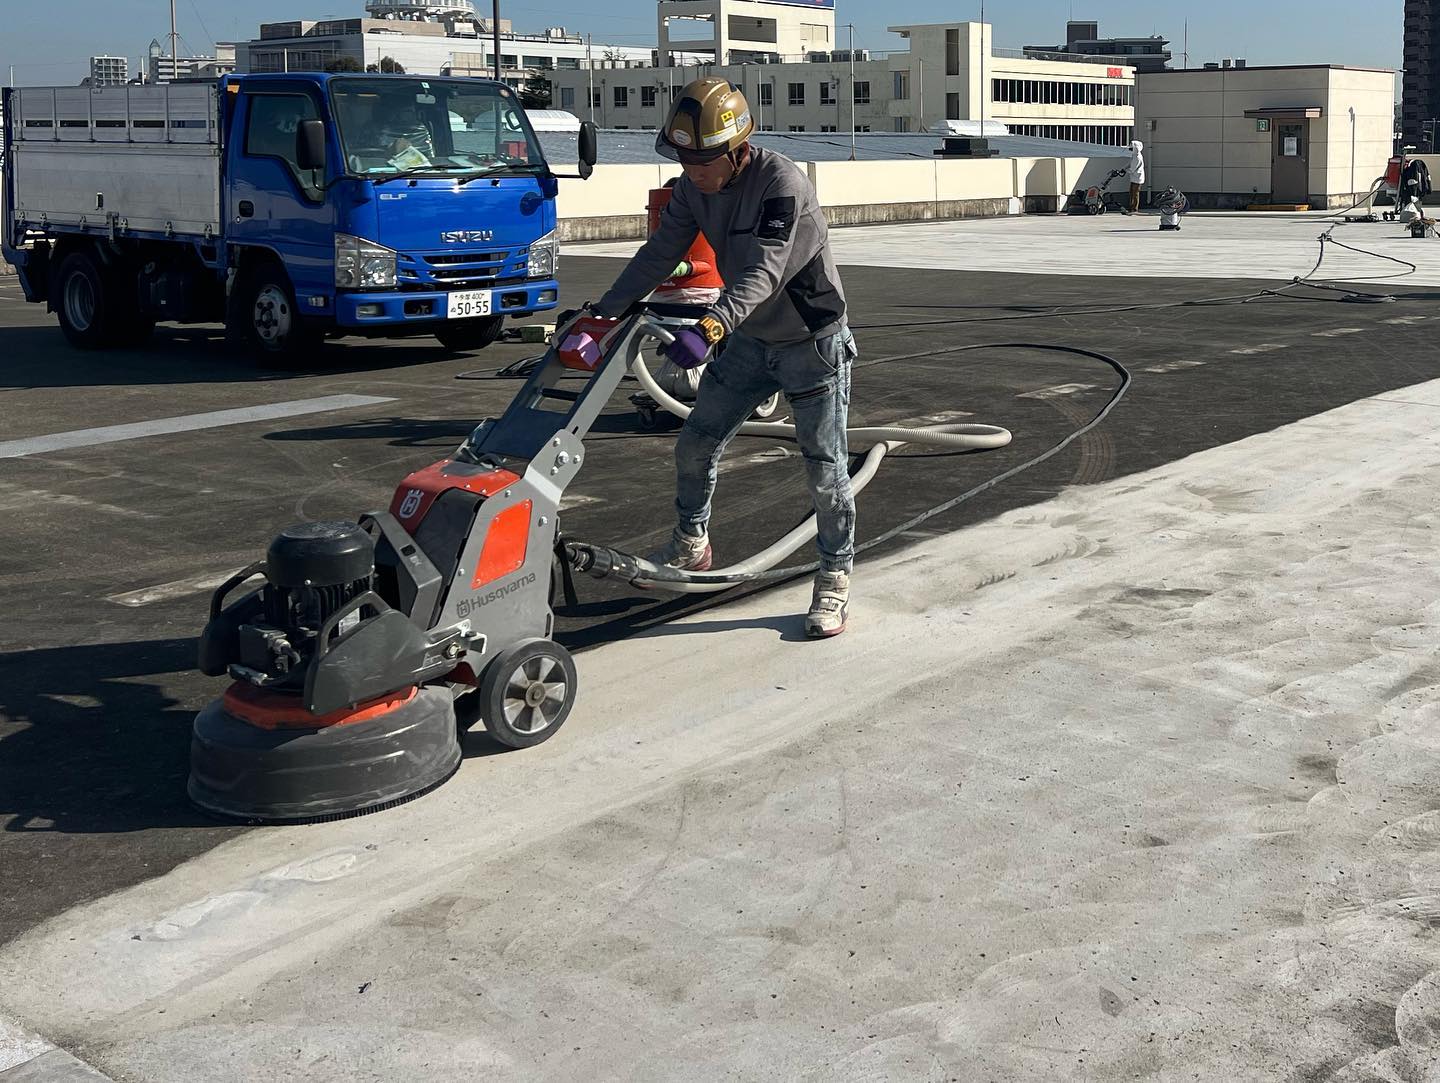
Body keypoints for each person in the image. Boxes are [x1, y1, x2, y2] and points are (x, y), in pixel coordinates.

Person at [588, 77, 857, 639]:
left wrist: (711, 325)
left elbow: (765, 269)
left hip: (810, 343)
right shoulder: (690, 189)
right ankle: (692, 542)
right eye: (684, 159)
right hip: (750, 342)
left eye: (704, 160)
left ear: (737, 150)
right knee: (696, 441)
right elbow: (660, 253)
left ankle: (834, 575)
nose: (694, 171)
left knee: (826, 471)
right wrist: (604, 311)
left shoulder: (781, 184)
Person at [1123, 140, 1146, 215]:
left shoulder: (1137, 157)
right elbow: (1130, 163)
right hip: (1134, 177)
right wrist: (1124, 168)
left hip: (1137, 177)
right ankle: (1131, 207)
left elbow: (1133, 169)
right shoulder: (1134, 156)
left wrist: (1125, 171)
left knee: (1135, 193)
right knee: (1131, 192)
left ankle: (1134, 209)